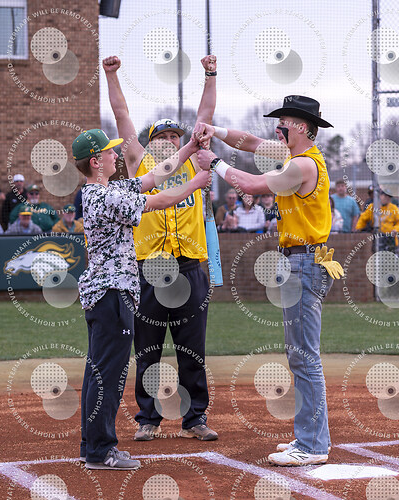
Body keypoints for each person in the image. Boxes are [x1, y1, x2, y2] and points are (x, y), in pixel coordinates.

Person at [196, 95, 344, 466]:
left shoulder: (303, 165)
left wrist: (213, 162)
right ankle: (311, 436)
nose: (279, 127)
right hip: (302, 262)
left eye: (286, 122)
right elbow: (248, 142)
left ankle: (312, 445)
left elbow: (250, 183)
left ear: (304, 128)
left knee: (304, 357)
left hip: (305, 263)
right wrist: (215, 131)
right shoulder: (294, 156)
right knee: (300, 355)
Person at [73, 128, 210, 470]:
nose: (115, 156)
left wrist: (189, 148)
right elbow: (159, 200)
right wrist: (196, 183)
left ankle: (91, 445)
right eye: (108, 152)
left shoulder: (106, 190)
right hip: (112, 293)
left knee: (97, 371)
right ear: (95, 162)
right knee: (108, 374)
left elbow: (153, 177)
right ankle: (101, 450)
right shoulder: (105, 197)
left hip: (106, 293)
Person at [103, 54, 219, 442]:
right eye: (161, 136)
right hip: (149, 270)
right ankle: (148, 418)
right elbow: (121, 115)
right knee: (147, 349)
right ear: (148, 142)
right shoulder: (139, 164)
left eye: (174, 136)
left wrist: (210, 74)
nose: (169, 141)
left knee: (192, 350)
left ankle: (195, 418)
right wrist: (112, 75)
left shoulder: (194, 165)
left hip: (188, 268)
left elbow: (205, 114)